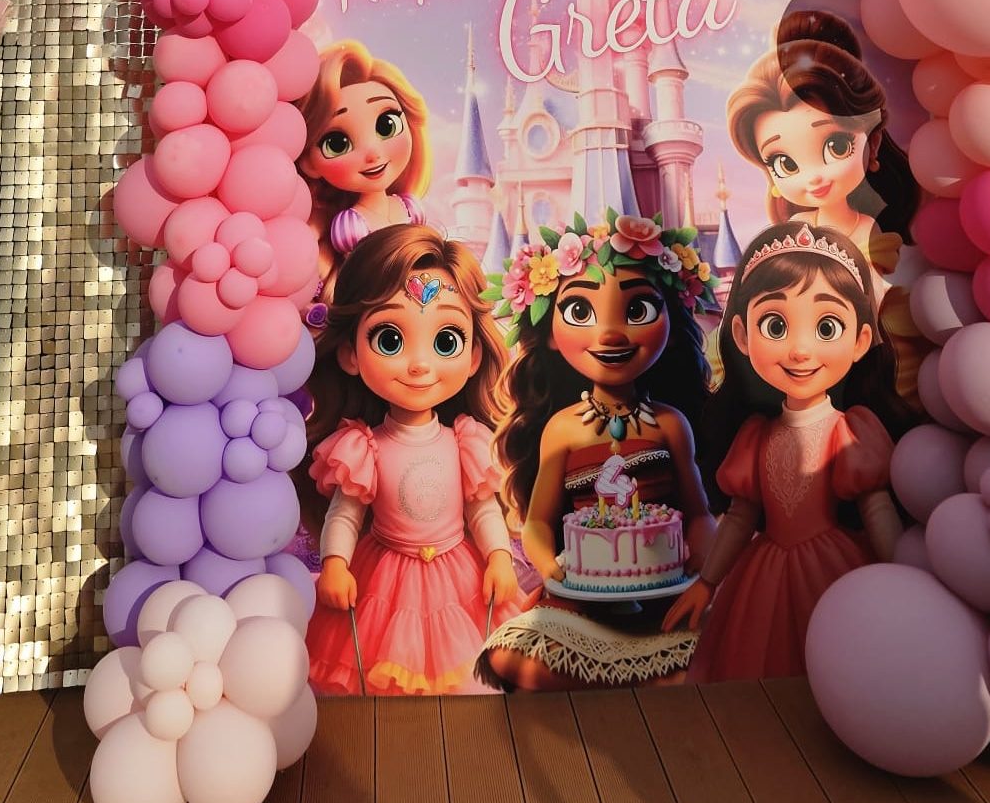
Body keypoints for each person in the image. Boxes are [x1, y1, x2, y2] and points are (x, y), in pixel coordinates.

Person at [477, 209, 719, 690]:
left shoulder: (670, 424)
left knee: (713, 650)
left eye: (638, 310)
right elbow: (539, 523)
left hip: (663, 591)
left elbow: (698, 513)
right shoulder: (563, 429)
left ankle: (638, 677)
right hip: (580, 596)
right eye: (580, 313)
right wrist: (554, 571)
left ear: (671, 322)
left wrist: (698, 570)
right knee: (512, 657)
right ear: (549, 332)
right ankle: (631, 680)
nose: (610, 334)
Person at [663, 222, 904, 681]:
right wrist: (707, 583)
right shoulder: (756, 435)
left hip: (836, 572)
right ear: (741, 335)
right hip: (763, 576)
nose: (800, 350)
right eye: (775, 326)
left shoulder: (850, 430)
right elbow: (740, 517)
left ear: (860, 341)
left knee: (842, 665)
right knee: (759, 662)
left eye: (827, 327)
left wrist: (904, 577)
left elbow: (876, 510)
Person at [302, 224, 522, 695]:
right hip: (385, 576)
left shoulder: (465, 441)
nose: (420, 365)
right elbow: (346, 513)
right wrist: (336, 562)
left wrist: (499, 557)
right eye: (389, 339)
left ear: (472, 356)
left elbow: (481, 508)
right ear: (351, 354)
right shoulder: (363, 447)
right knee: (385, 672)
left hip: (458, 575)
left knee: (466, 676)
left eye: (446, 341)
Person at [727, 7, 923, 395]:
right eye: (784, 163)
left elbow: (894, 353)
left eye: (835, 146)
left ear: (873, 143)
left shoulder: (879, 246)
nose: (813, 176)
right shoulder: (785, 243)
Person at [297, 40, 432, 322]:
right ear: (310, 163)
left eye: (387, 125)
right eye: (337, 142)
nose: (372, 153)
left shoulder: (409, 207)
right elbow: (362, 284)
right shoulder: (352, 225)